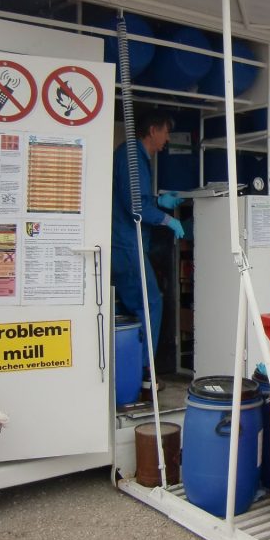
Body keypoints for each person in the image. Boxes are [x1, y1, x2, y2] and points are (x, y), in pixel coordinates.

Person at [112, 109, 184, 391]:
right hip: (127, 245)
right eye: (165, 131)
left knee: (133, 307)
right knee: (150, 303)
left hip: (126, 243)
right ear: (153, 130)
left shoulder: (131, 155)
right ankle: (145, 373)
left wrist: (158, 200)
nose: (167, 139)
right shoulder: (132, 156)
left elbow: (136, 197)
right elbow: (136, 206)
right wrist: (166, 218)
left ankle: (133, 371)